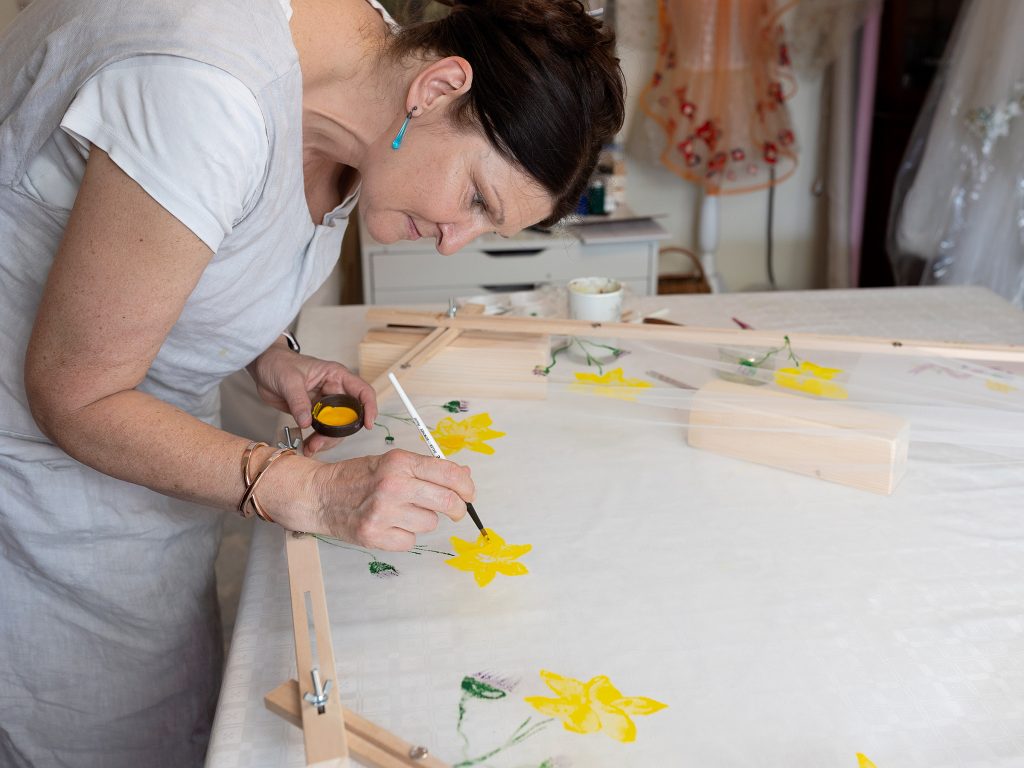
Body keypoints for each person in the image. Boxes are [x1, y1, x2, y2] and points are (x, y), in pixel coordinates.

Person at [0, 0, 625, 765]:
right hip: (39, 485)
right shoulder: (207, 92)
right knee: (102, 737)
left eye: (486, 231)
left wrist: (271, 354)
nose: (453, 243)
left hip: (142, 468)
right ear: (438, 88)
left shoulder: (366, 85)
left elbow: (183, 243)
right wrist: (316, 492)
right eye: (475, 200)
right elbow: (77, 394)